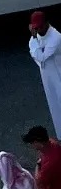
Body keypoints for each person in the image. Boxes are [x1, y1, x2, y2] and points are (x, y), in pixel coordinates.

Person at [28, 9, 61, 138]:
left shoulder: (56, 37)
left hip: (58, 73)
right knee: (54, 104)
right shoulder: (37, 36)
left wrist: (34, 42)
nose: (39, 30)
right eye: (36, 28)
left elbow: (41, 57)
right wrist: (35, 46)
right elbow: (36, 53)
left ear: (47, 23)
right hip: (48, 76)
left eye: (41, 27)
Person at [24, 124, 61, 189]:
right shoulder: (53, 144)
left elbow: (39, 181)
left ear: (38, 142)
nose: (32, 145)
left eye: (33, 142)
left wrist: (38, 165)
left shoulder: (49, 164)